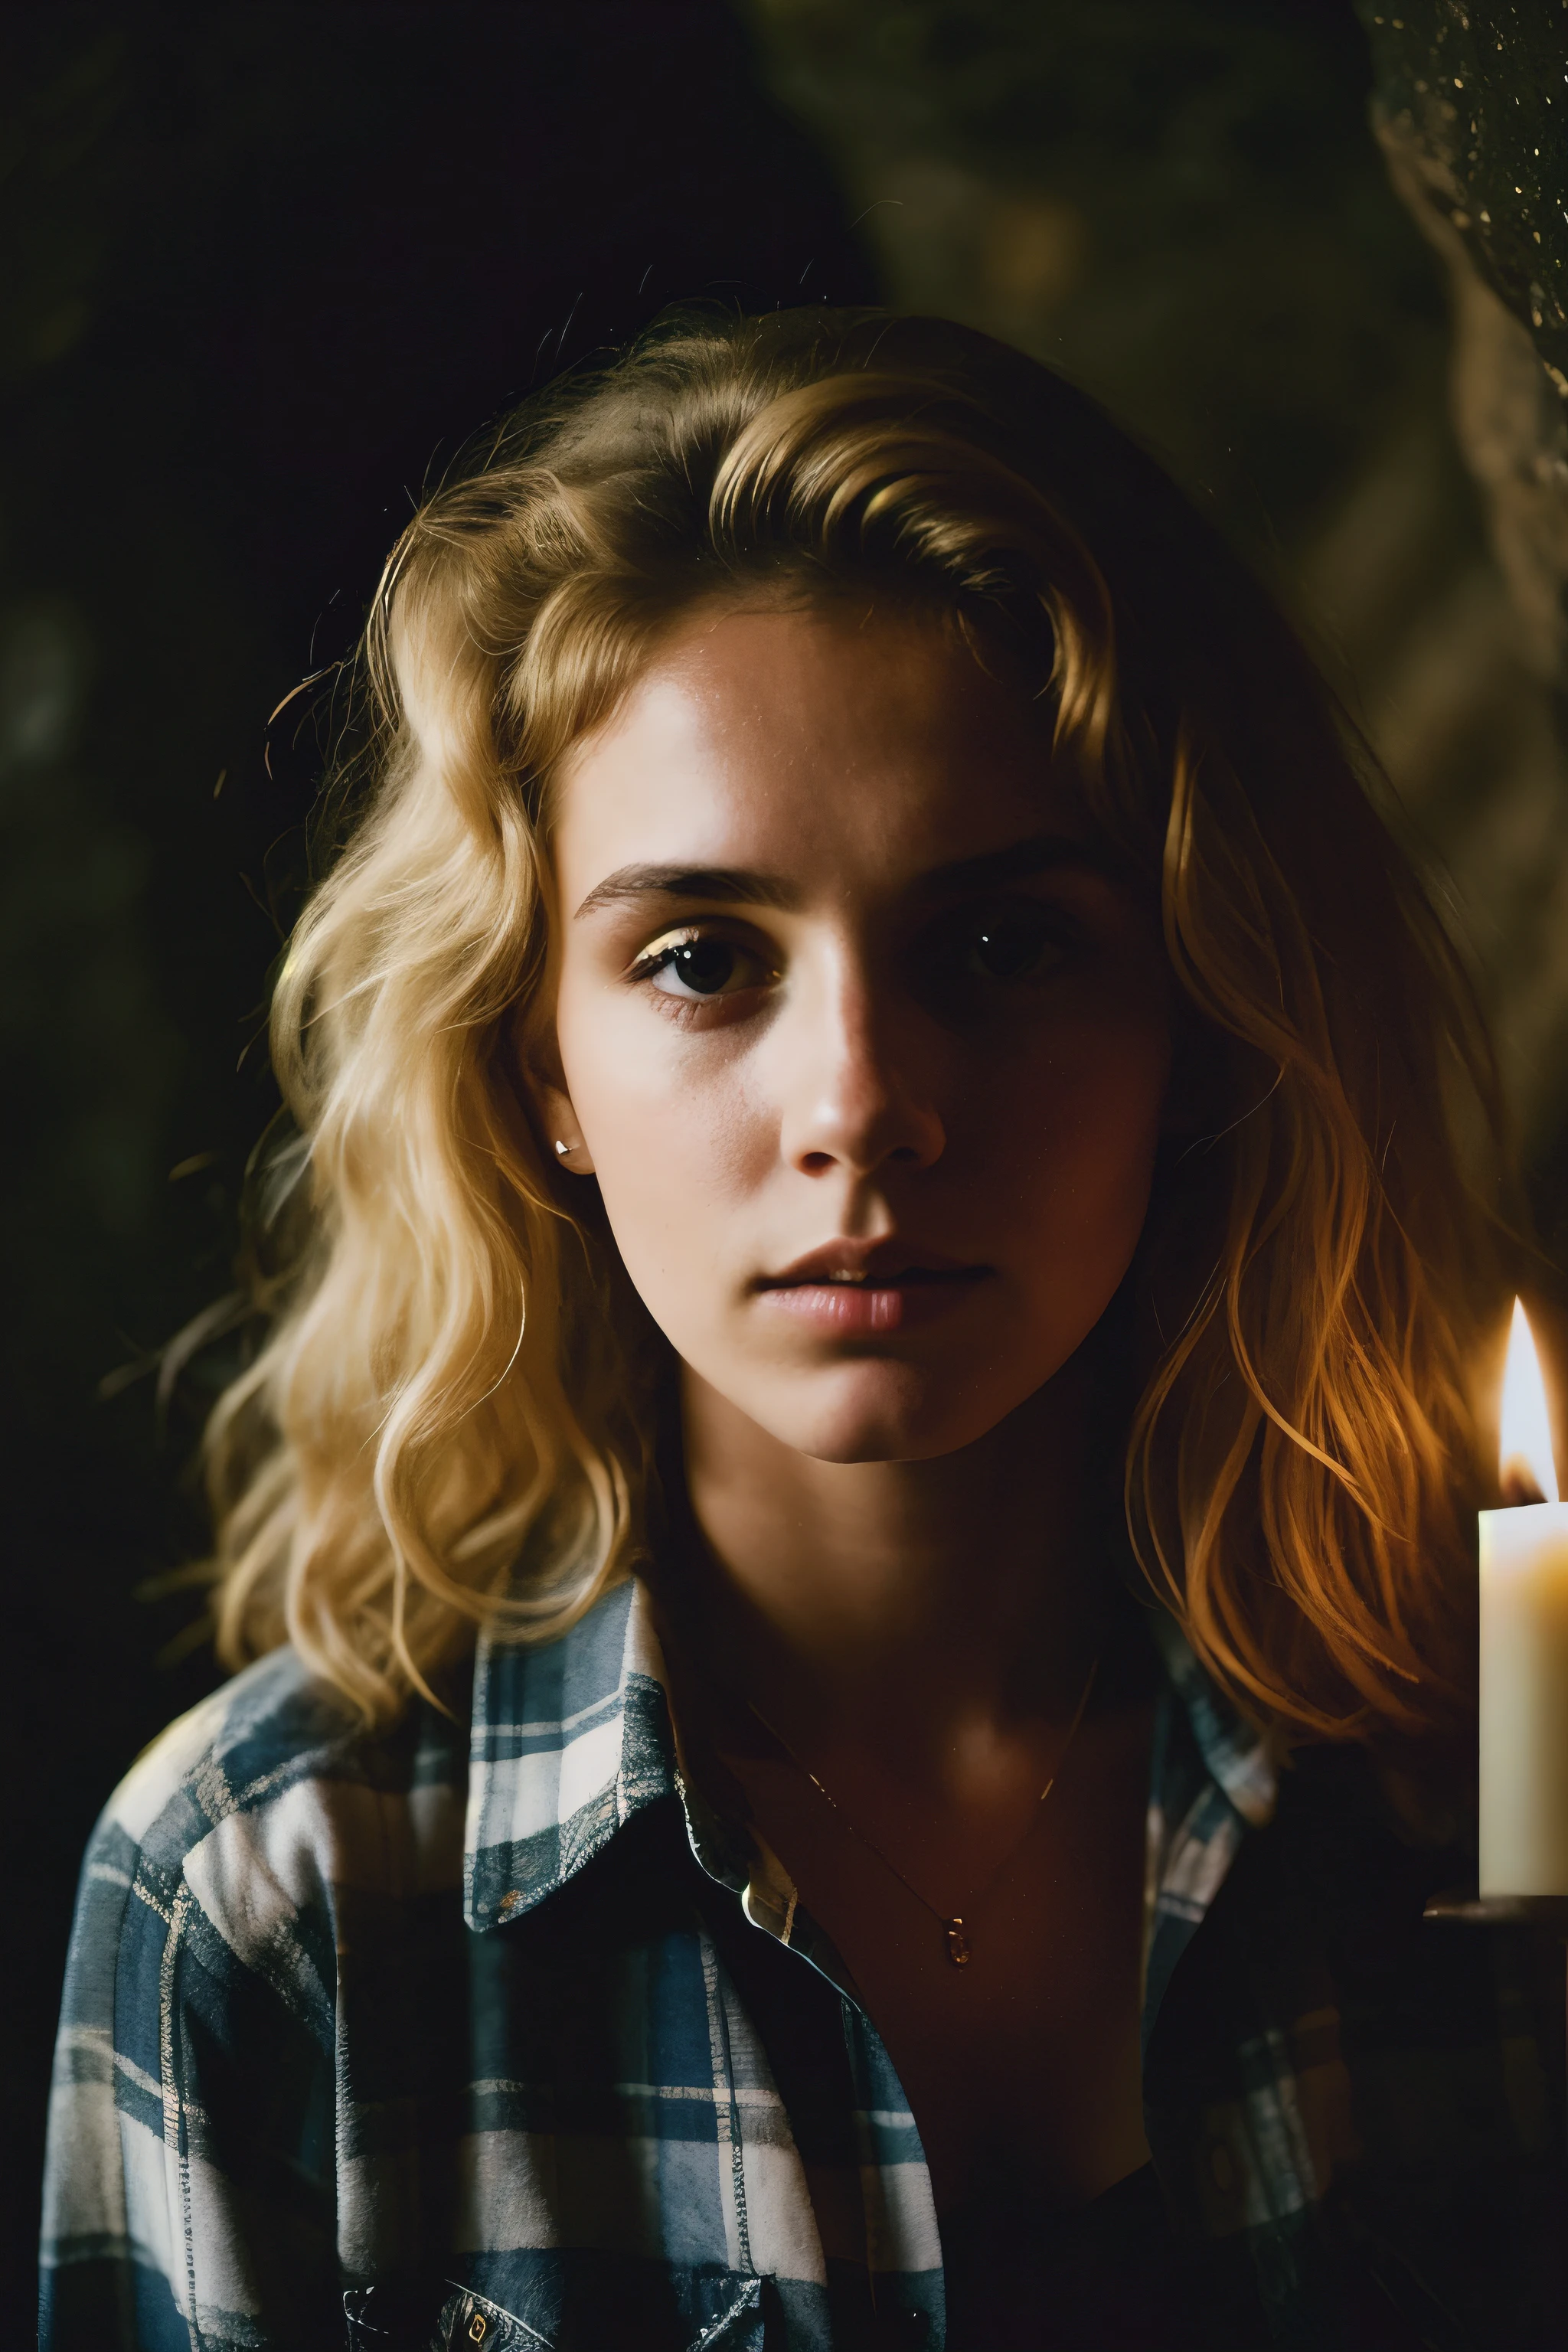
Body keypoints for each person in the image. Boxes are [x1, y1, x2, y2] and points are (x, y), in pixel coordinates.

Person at [39, 309, 1564, 2352]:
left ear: (1196, 1008)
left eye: (1003, 943)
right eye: (700, 958)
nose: (858, 1102)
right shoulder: (279, 1904)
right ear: (536, 1065)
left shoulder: (1474, 1777)